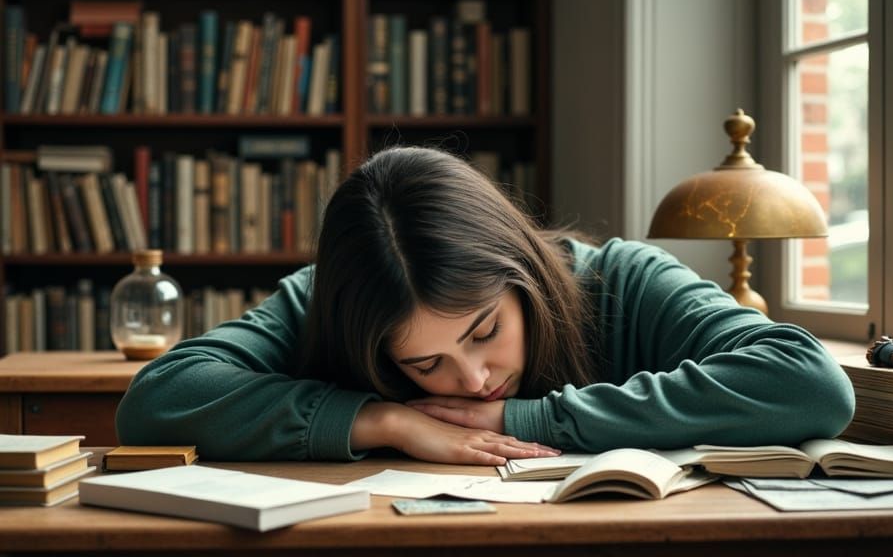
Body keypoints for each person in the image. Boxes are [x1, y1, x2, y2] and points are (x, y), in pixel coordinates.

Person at [116, 146, 855, 465]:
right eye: (422, 363)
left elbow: (809, 383)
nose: (472, 380)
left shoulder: (623, 279)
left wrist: (528, 418)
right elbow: (157, 400)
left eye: (485, 331)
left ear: (522, 274)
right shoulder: (328, 302)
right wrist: (382, 420)